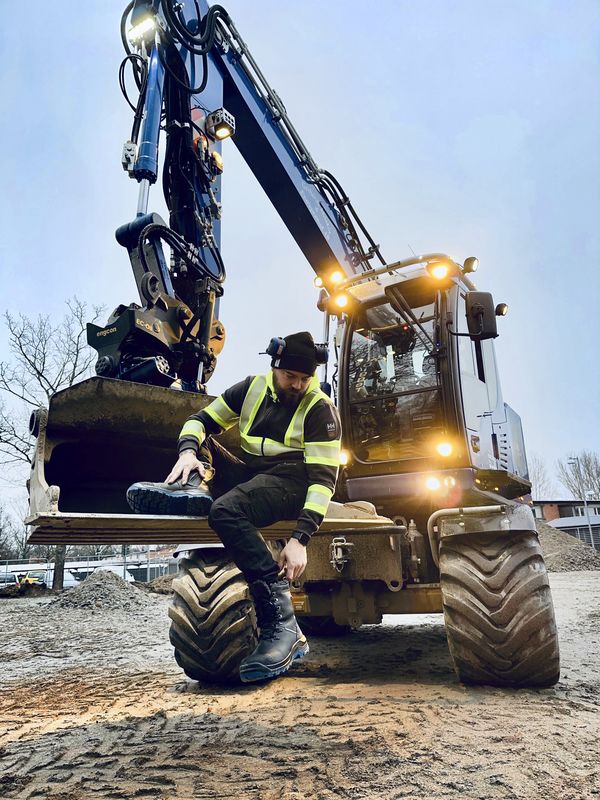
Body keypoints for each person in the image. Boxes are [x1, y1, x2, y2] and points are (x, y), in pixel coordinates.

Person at [126, 331, 342, 683]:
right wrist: (187, 452)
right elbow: (200, 420)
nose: (298, 385)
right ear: (275, 367)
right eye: (291, 377)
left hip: (293, 482)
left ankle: (283, 624)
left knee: (226, 512)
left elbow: (323, 483)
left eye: (305, 378)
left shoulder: (319, 408)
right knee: (204, 439)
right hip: (254, 472)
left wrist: (300, 538)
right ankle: (192, 486)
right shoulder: (251, 388)